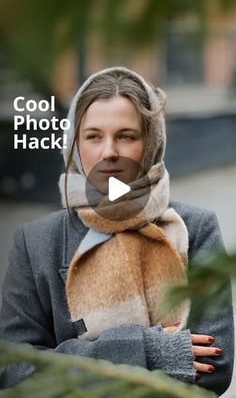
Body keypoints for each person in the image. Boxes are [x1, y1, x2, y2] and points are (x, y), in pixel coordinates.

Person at [0, 67, 234, 395]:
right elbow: (15, 371)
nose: (109, 151)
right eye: (93, 136)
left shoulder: (194, 227)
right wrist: (149, 351)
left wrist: (73, 360)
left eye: (126, 136)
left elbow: (216, 369)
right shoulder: (37, 241)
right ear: (74, 145)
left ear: (151, 142)